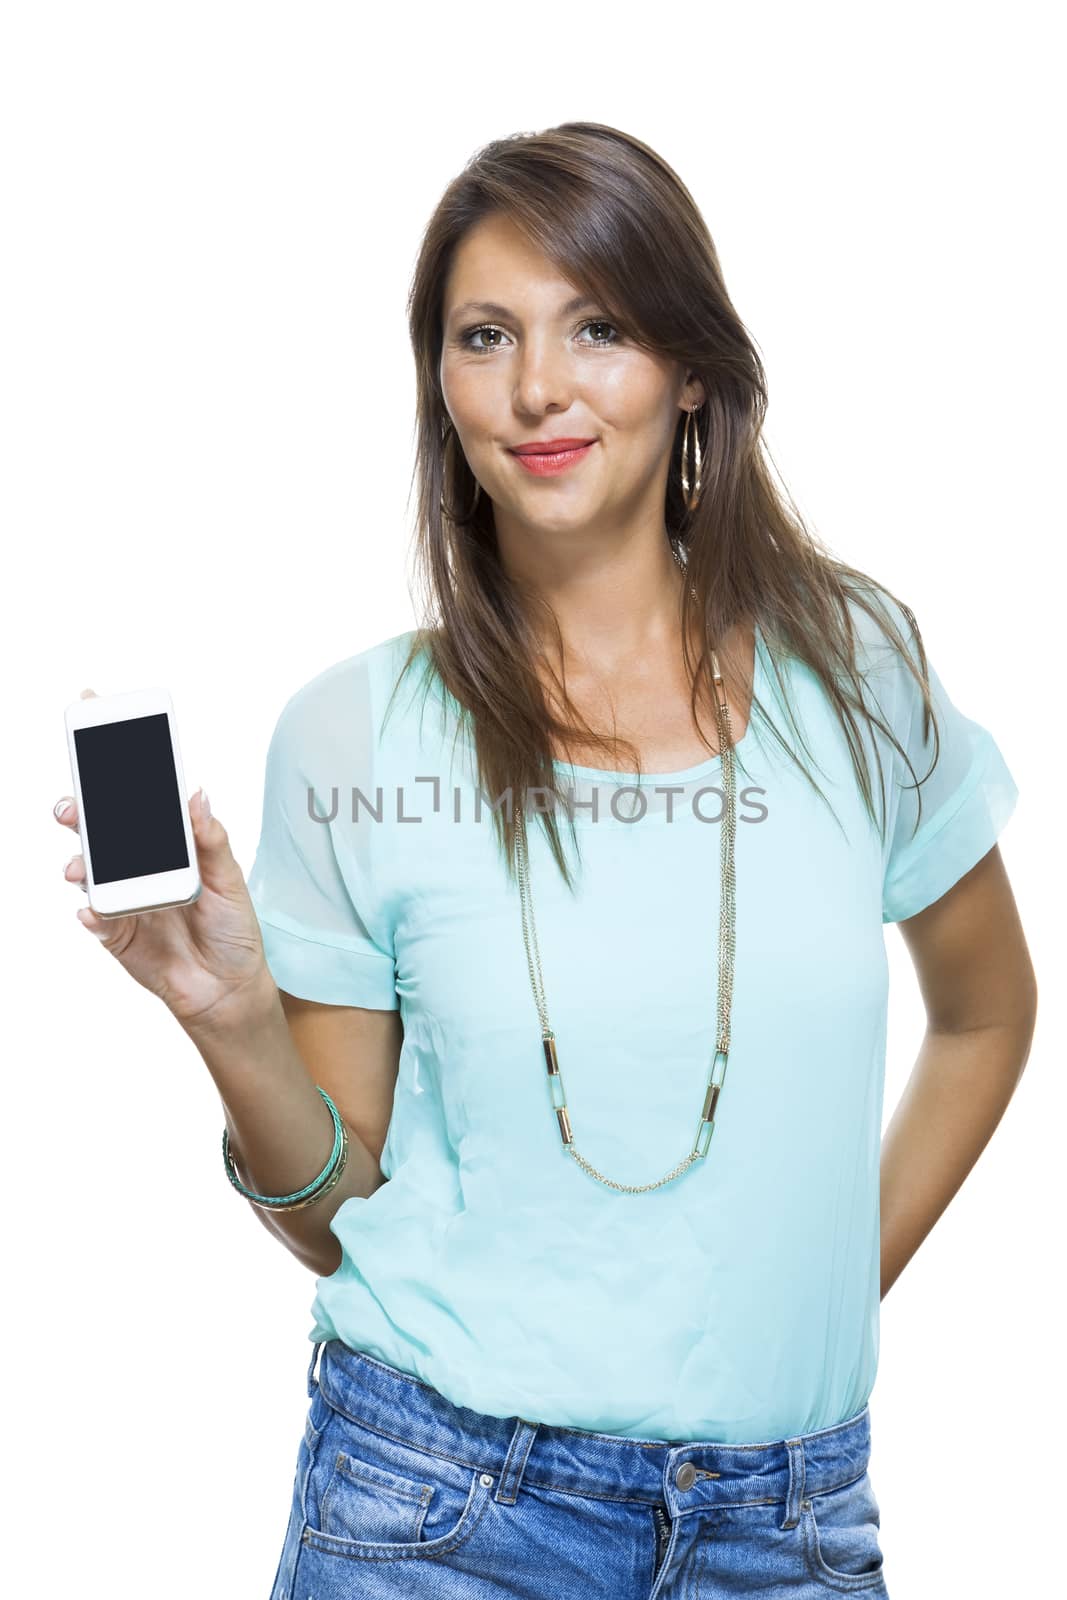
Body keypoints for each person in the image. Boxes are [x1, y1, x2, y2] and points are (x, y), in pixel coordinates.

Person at [55, 122, 1036, 1599]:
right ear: (438, 383)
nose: (536, 389)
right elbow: (339, 1219)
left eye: (600, 326)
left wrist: (831, 1294)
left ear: (691, 366)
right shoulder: (353, 733)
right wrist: (231, 1024)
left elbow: (988, 1012)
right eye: (485, 335)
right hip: (438, 1513)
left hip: (793, 1529)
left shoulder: (856, 666)